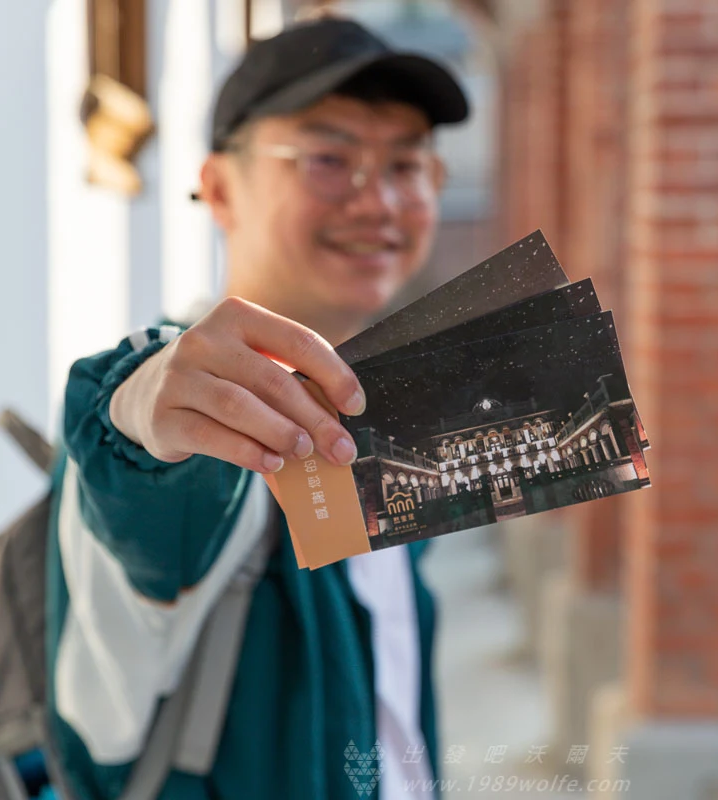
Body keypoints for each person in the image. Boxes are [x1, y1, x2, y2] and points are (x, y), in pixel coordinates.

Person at [50, 13, 469, 800]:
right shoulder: (200, 428)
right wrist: (134, 416)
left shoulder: (386, 424)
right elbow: (142, 494)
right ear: (218, 187)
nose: (377, 200)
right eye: (328, 158)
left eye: (408, 165)